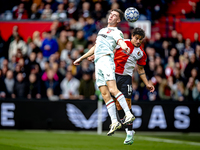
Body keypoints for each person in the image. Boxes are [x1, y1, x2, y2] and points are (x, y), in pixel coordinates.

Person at [74, 9, 135, 136]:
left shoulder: (117, 32)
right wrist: (82, 58)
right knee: (105, 94)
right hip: (98, 62)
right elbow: (95, 47)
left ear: (118, 20)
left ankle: (128, 114)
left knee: (113, 90)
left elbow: (121, 42)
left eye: (114, 15)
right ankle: (114, 121)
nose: (111, 16)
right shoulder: (102, 31)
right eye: (110, 14)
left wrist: (125, 48)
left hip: (107, 60)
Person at [113, 27, 155, 145]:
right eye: (136, 38)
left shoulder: (141, 53)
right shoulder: (122, 43)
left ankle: (130, 132)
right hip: (114, 76)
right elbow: (110, 50)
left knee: (127, 102)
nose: (138, 41)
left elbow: (140, 69)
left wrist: (147, 83)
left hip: (126, 78)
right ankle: (127, 129)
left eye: (140, 40)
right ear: (132, 36)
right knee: (118, 105)